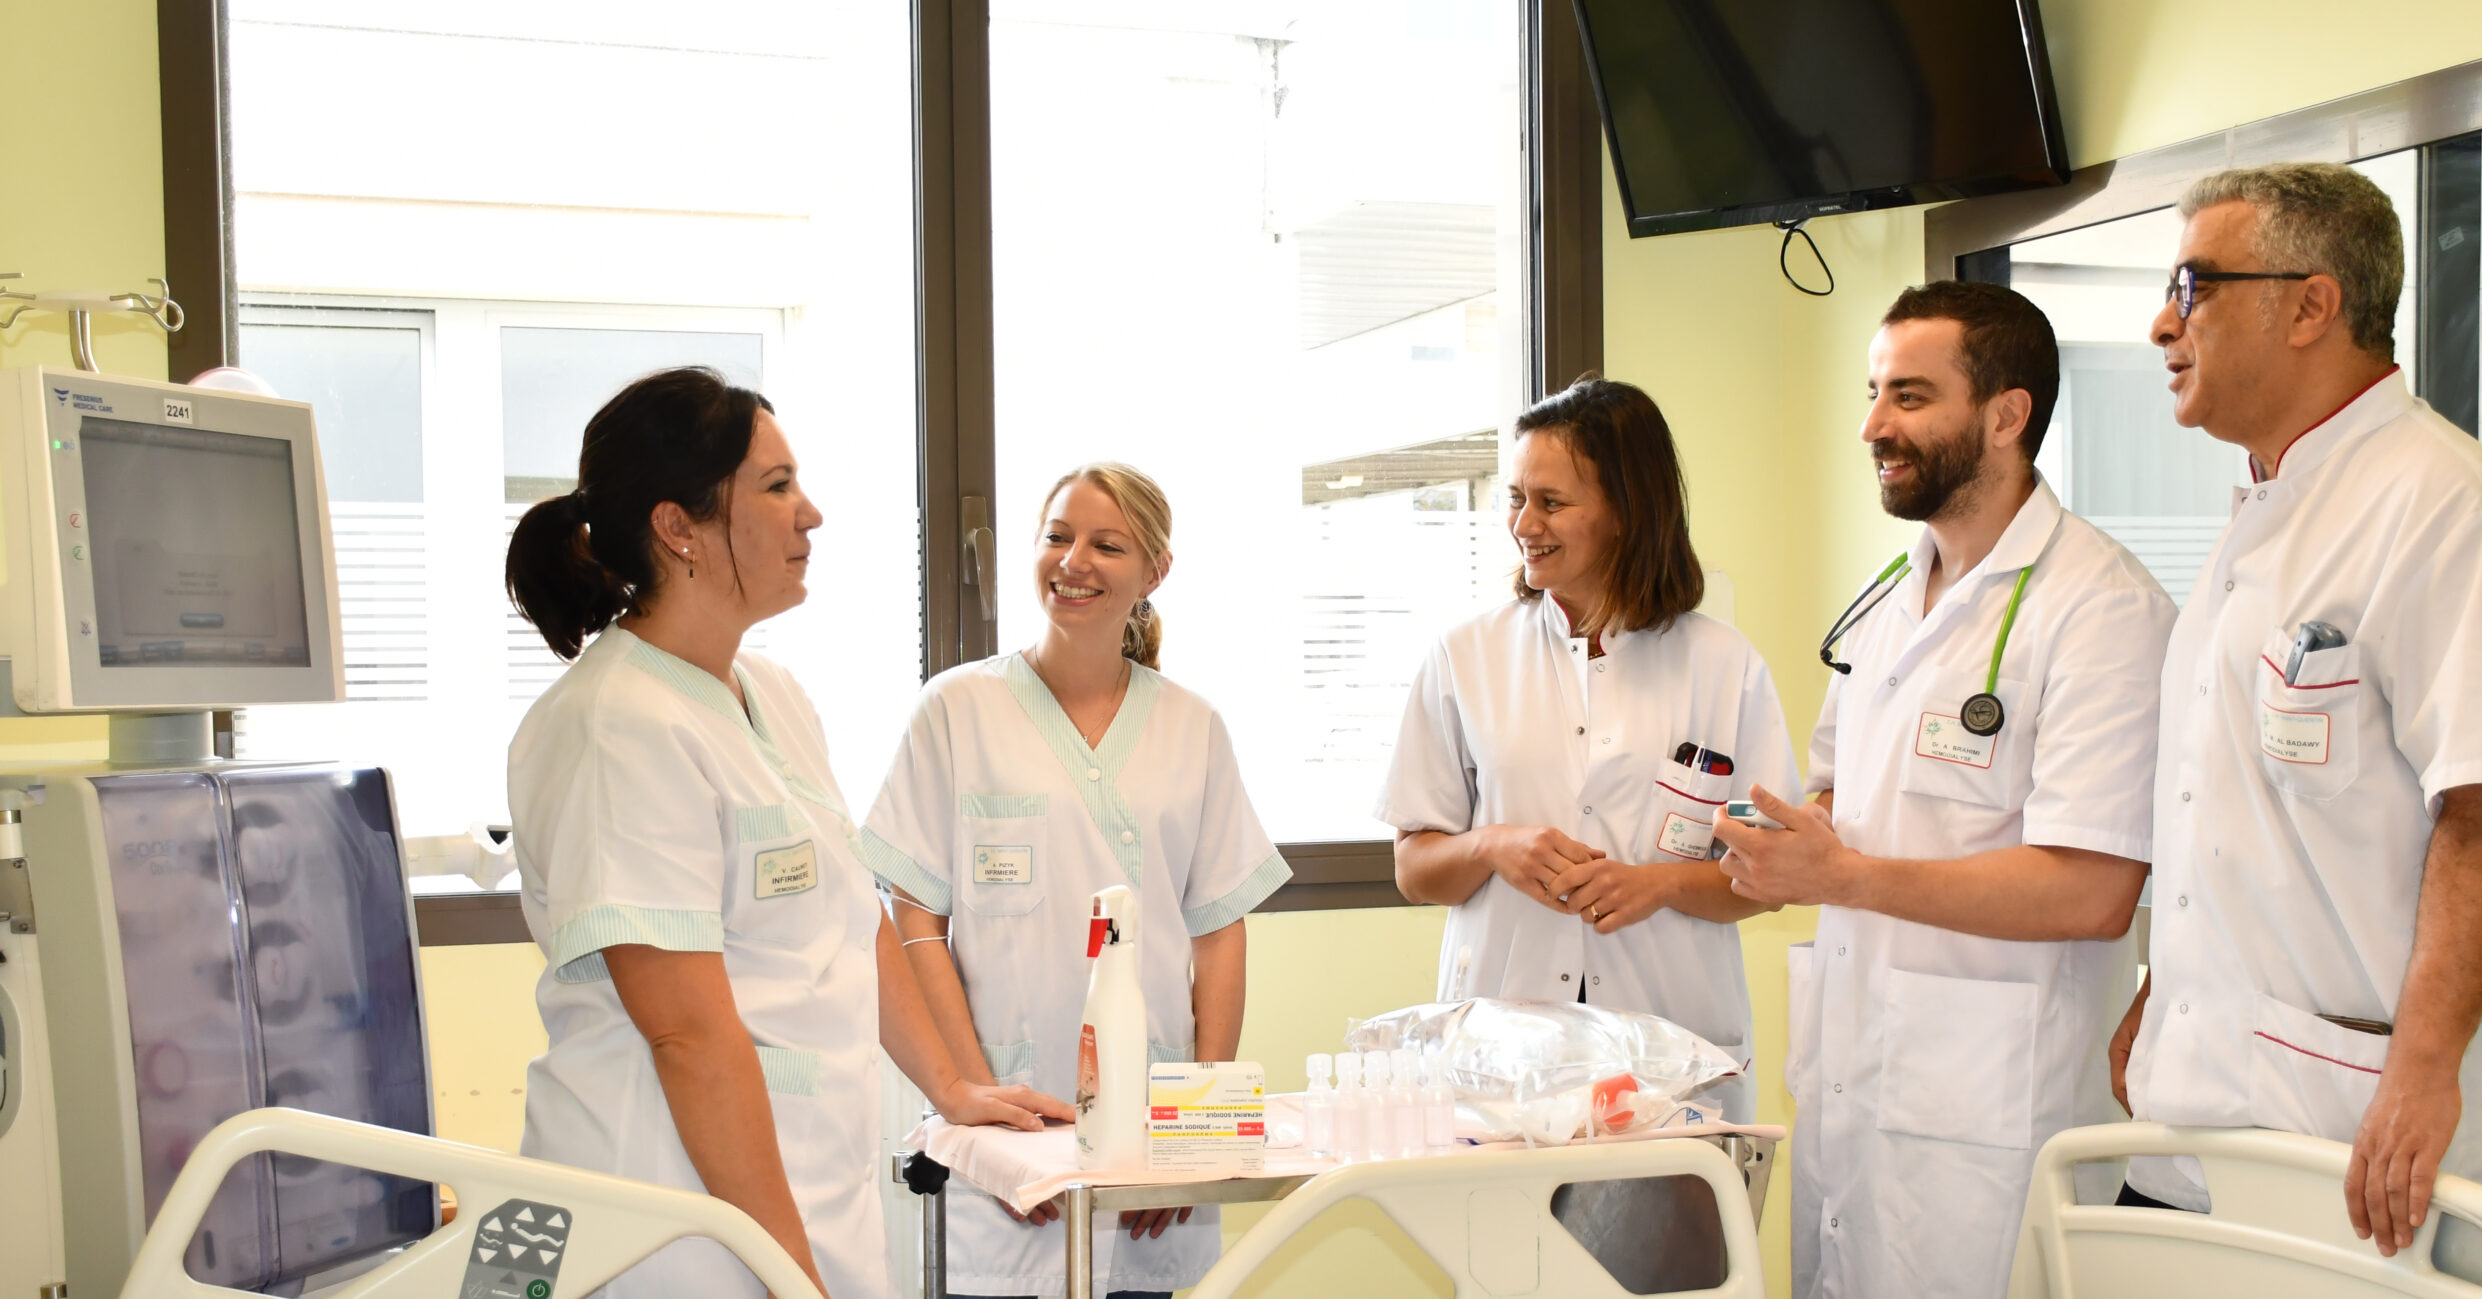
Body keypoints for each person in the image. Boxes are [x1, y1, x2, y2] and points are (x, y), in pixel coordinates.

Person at [504, 368, 1071, 1298]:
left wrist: (952, 1087)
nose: (810, 514)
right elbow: (688, 1035)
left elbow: (855, 918)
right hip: (669, 1225)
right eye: (775, 487)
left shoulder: (771, 695)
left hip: (799, 1201)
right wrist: (789, 1274)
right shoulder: (616, 724)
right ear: (677, 526)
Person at [2114, 163, 2482, 1270]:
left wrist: (2419, 1069)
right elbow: (2227, 813)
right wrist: (2159, 993)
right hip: (2202, 1105)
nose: (2161, 322)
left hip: (2356, 1132)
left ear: (2313, 304)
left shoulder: (2449, 508)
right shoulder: (2263, 514)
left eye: (2194, 285)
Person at [1713, 281, 2176, 1297]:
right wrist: (1775, 842)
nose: (1873, 425)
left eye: (1910, 397)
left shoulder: (2101, 612)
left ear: (2005, 415)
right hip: (1859, 1086)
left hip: (1994, 1122)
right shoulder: (1890, 595)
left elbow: (2091, 892)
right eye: (1874, 392)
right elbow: (1840, 801)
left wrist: (1841, 875)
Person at [857, 462, 1292, 1299]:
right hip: (1008, 1124)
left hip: (1148, 1140)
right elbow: (914, 918)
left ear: (1154, 571)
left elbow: (1220, 929)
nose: (1073, 561)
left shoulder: (1193, 727)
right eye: (1057, 536)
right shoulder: (955, 711)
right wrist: (972, 1097)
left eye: (1106, 544)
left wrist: (1192, 1130)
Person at [1377, 376, 1799, 1120]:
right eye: (1516, 497)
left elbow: (1769, 877)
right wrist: (1494, 847)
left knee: (1669, 1238)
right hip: (1506, 1060)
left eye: (1552, 501)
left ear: (1625, 512)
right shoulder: (1467, 655)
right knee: (1507, 1238)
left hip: (1673, 1052)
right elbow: (1414, 868)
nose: (1523, 523)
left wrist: (1660, 886)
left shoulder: (1723, 666)